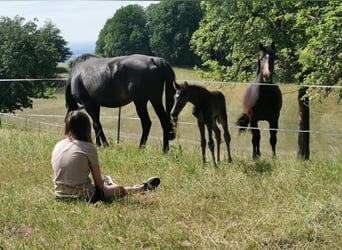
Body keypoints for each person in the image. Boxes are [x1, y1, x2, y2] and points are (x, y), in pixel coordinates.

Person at [51, 110, 160, 203]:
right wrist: (108, 187)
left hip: (59, 195)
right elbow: (99, 185)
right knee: (119, 189)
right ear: (86, 128)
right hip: (83, 196)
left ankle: (130, 186)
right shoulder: (88, 147)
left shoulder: (58, 144)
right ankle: (139, 188)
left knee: (106, 182)